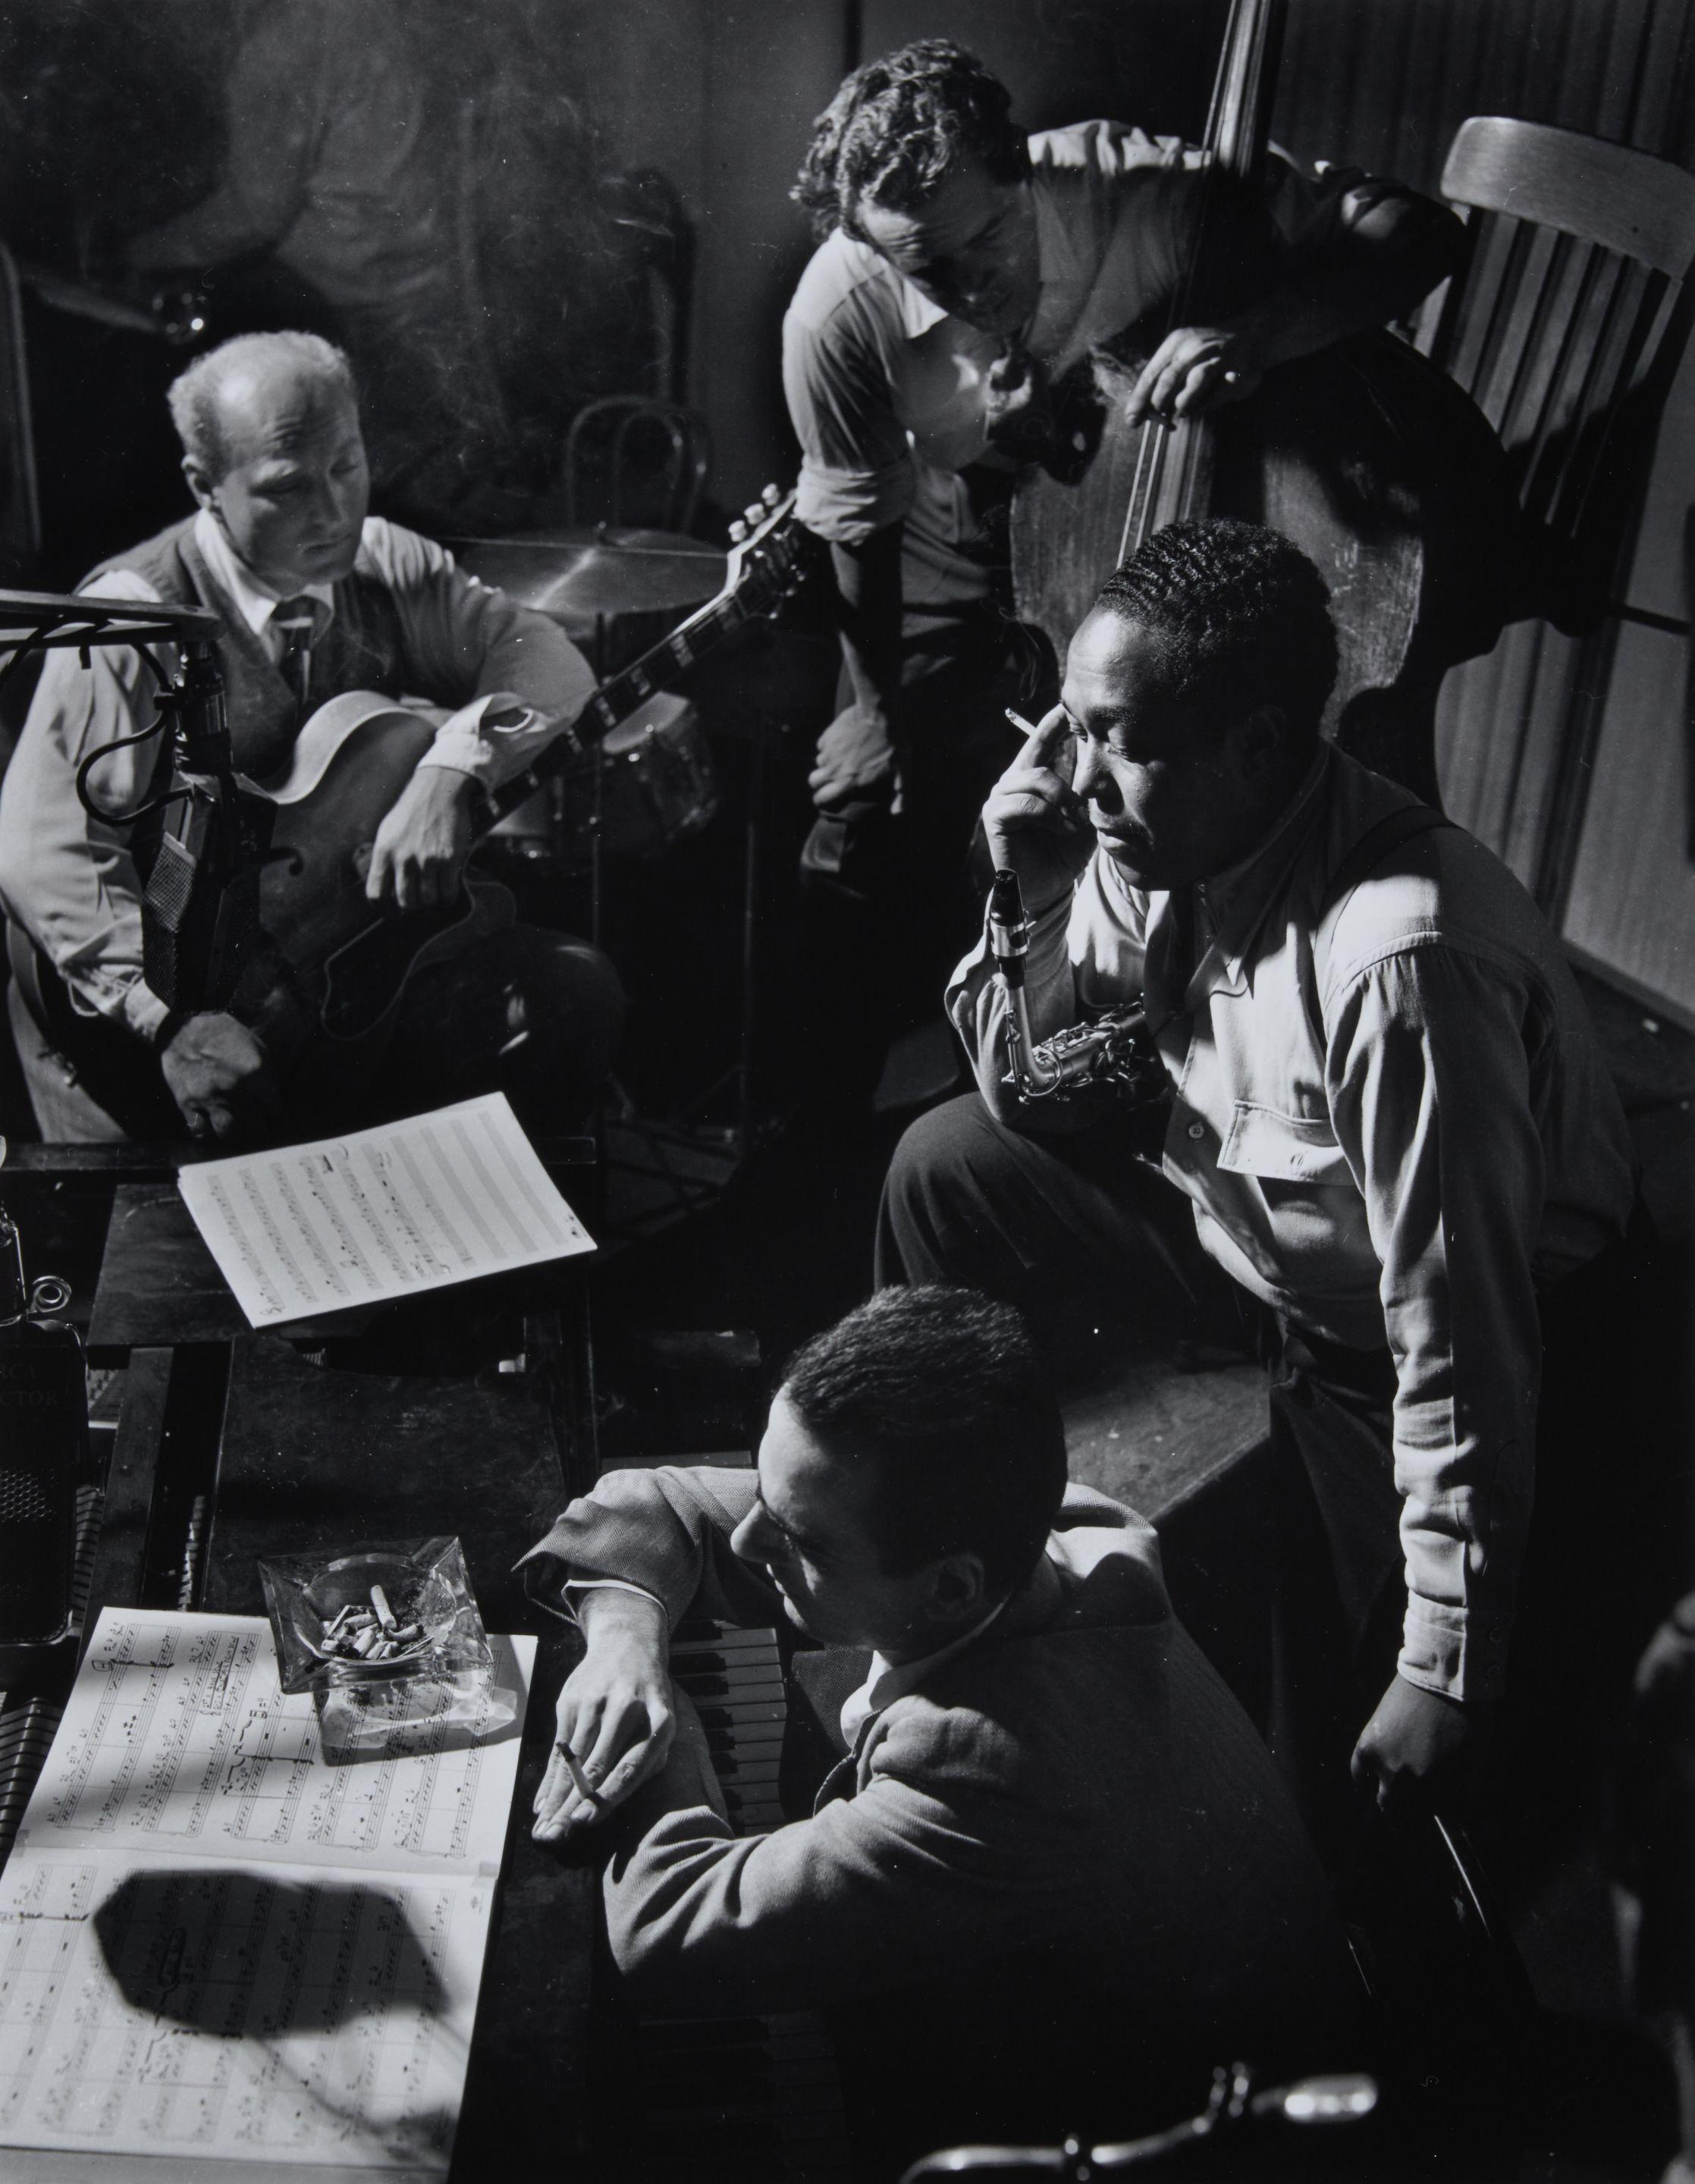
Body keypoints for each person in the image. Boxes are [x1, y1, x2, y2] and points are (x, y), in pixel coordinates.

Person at [877, 517, 1673, 1856]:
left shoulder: (1403, 965)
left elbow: (1461, 1337)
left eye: (1118, 739)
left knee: (1344, 1784)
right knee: (948, 1164)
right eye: (1070, 729)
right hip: (1259, 1244)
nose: (1082, 780)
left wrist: (1444, 1664)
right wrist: (1019, 893)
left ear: (1255, 744)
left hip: (1429, 1341)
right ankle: (934, 1554)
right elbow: (1033, 1093)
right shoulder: (1154, 833)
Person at [783, 37, 1467, 1113]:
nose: (973, 288)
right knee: (858, 816)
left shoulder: (1138, 187)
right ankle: (831, 1129)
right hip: (945, 532)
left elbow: (1417, 231)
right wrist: (873, 708)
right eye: (930, 270)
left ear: (1024, 173)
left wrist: (1254, 331)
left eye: (990, 242)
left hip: (1114, 505)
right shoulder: (834, 314)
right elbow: (855, 525)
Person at [522, 1283, 1355, 2166]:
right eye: (761, 1491)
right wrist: (623, 1649)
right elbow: (660, 1505)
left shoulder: (1002, 1767)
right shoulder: (1048, 1533)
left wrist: (674, 1714)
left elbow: (666, 1930)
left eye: (799, 1541)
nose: (745, 1543)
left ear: (949, 1588)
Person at [0, 329, 623, 1145]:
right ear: (206, 486)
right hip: (138, 1030)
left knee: (574, 990)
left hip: (320, 995)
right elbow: (42, 853)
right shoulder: (134, 615)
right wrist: (170, 1020)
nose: (334, 513)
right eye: (289, 487)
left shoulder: (382, 562)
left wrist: (451, 773)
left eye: (348, 466)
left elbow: (544, 659)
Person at [122, 0, 505, 528]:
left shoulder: (287, 42)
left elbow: (255, 213)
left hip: (360, 313)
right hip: (430, 296)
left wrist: (143, 251)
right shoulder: (373, 16)